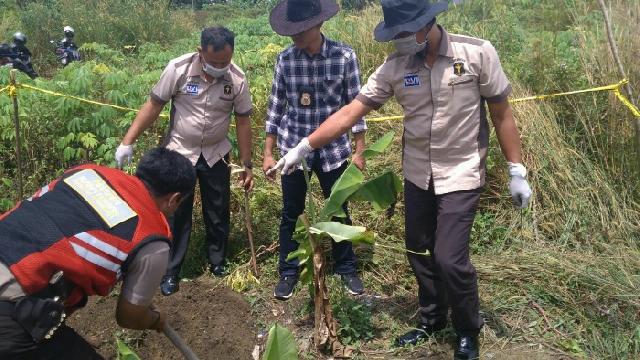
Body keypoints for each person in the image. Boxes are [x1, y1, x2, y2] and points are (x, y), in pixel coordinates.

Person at [269, 0, 533, 358]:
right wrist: (304, 145)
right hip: (418, 174)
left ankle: (468, 327)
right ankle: (432, 318)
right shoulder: (395, 67)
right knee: (418, 248)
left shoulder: (476, 54)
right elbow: (350, 113)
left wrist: (516, 169)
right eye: (396, 35)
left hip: (462, 172)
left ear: (429, 23)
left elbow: (501, 113)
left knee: (449, 258)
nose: (402, 41)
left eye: (407, 33)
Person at [0, 148, 196, 359]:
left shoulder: (86, 172)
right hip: (12, 306)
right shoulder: (151, 239)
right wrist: (154, 319)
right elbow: (129, 316)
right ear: (174, 199)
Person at [115, 26, 254, 296]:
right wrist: (127, 141)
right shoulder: (177, 69)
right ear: (200, 51)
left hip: (216, 153)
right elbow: (154, 105)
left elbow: (243, 120)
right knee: (177, 213)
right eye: (214, 62)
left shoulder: (236, 78)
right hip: (180, 152)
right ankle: (171, 271)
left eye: (225, 61)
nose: (220, 67)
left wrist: (246, 165)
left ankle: (217, 261)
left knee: (218, 210)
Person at [265, 0, 368, 300]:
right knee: (291, 212)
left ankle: (346, 267)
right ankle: (289, 271)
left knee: (338, 208)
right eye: (291, 30)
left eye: (300, 30)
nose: (294, 36)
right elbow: (275, 108)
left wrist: (359, 150)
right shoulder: (285, 60)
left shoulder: (344, 57)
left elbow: (356, 106)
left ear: (318, 25)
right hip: (293, 147)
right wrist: (268, 152)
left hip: (334, 149)